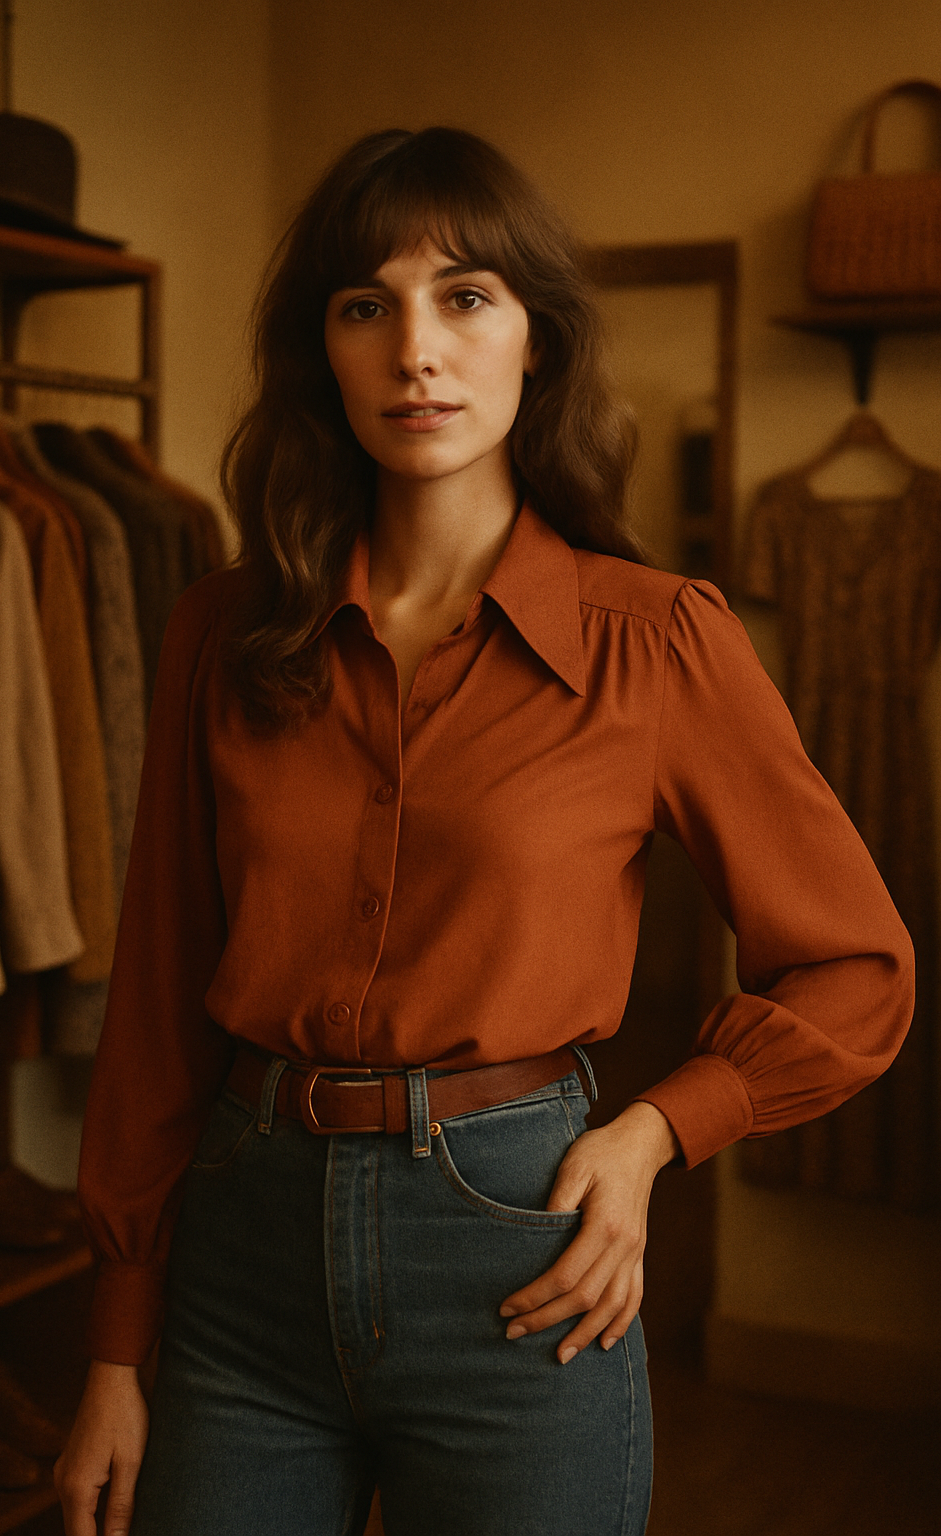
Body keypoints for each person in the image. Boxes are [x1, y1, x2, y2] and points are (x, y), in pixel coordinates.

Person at [55, 127, 914, 1536]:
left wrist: (653, 1135)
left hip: (524, 1252)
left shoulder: (662, 645)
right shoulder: (225, 632)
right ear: (318, 353)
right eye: (364, 305)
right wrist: (112, 1341)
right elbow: (156, 1001)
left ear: (538, 343)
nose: (415, 349)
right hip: (239, 1258)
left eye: (465, 297)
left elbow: (857, 969)